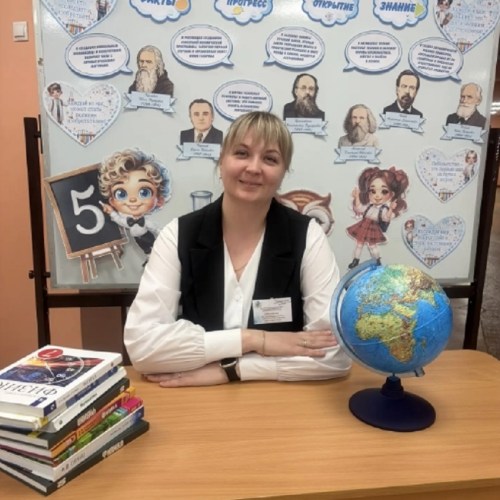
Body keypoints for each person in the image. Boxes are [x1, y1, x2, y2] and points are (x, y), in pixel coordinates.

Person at [124, 111, 351, 386]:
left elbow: (335, 354)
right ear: (221, 161)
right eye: (242, 153)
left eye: (270, 159)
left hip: (280, 398)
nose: (254, 168)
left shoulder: (308, 237)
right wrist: (253, 340)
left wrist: (232, 370)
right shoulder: (178, 235)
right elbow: (143, 348)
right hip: (196, 400)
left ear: (283, 173)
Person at [98, 149, 171, 259]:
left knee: (154, 247)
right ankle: (150, 257)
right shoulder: (128, 221)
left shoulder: (146, 222)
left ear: (159, 200)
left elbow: (156, 229)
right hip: (138, 239)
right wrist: (111, 211)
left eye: (144, 192)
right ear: (112, 201)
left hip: (147, 236)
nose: (132, 199)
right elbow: (119, 220)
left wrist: (167, 238)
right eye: (121, 194)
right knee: (146, 249)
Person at [346, 166, 409, 269]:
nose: (377, 196)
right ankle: (355, 260)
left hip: (373, 227)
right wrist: (357, 196)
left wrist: (391, 209)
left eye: (384, 191)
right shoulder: (369, 206)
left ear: (391, 194)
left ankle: (377, 260)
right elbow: (359, 208)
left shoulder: (383, 209)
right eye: (373, 191)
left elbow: (386, 218)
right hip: (363, 225)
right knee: (359, 244)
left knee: (372, 245)